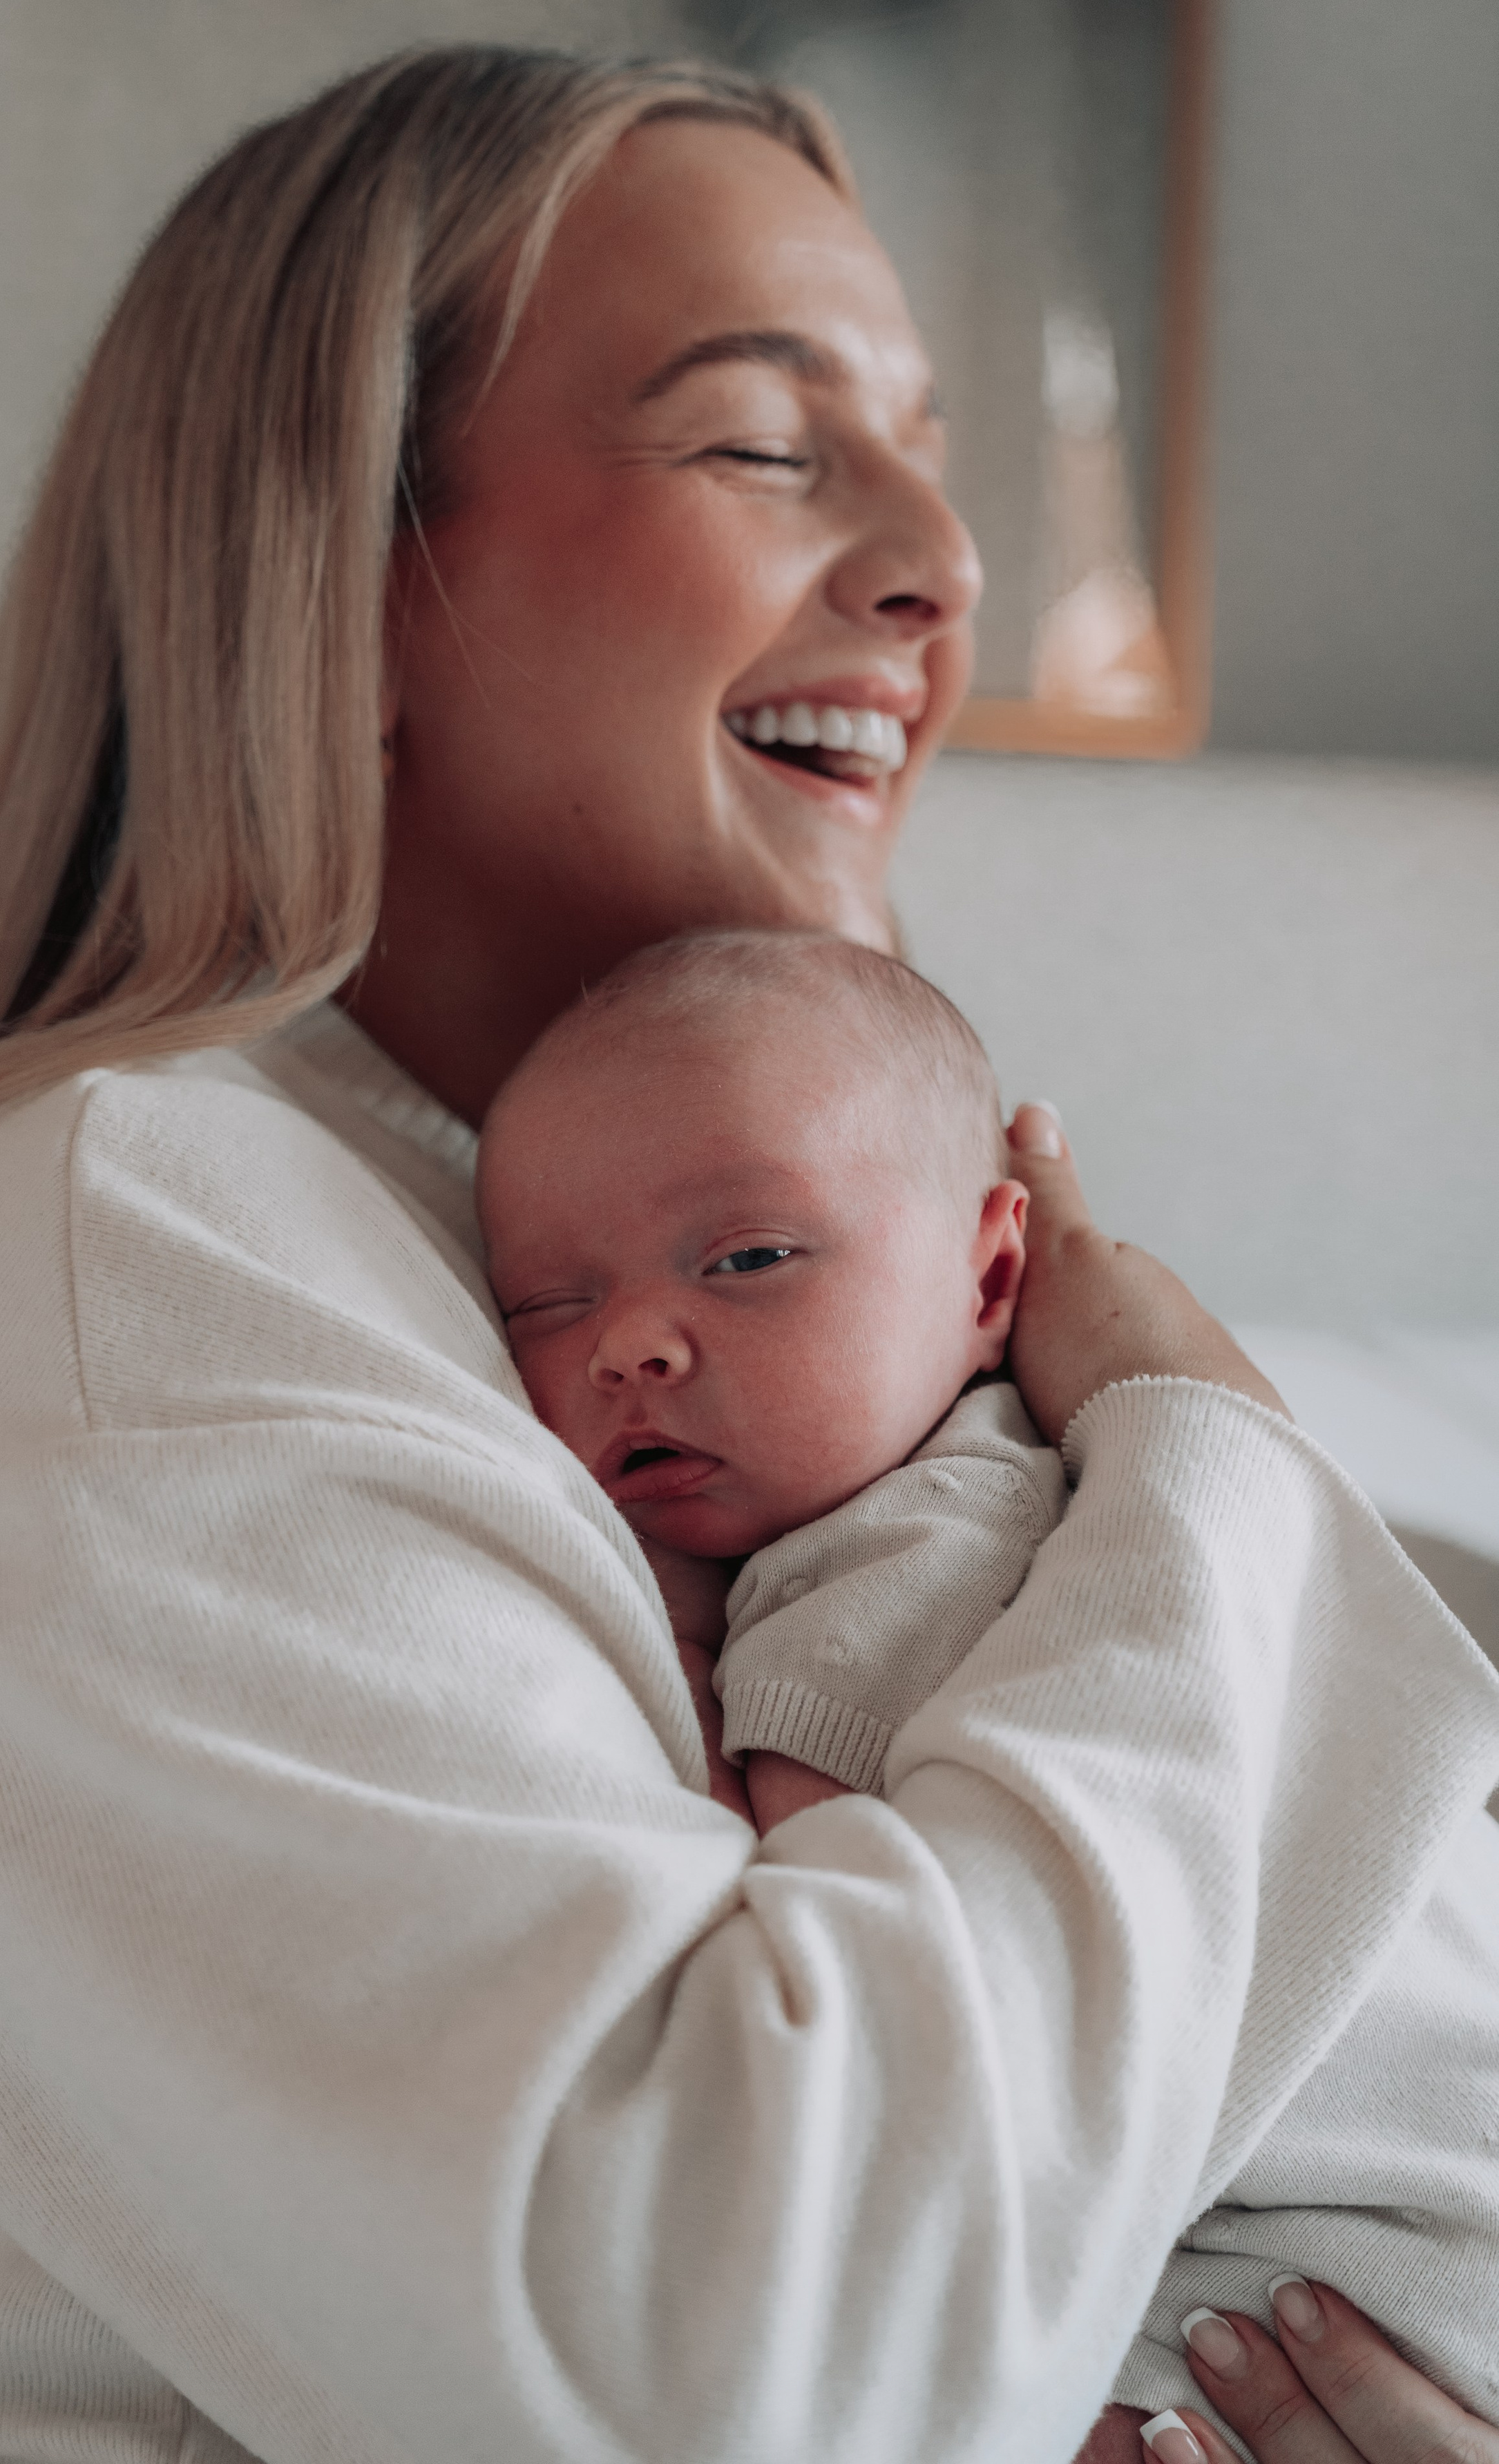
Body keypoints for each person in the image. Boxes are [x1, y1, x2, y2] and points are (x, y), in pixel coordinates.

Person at [0, 46, 1492, 2464]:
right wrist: (1207, 1471)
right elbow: (748, 2369)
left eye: (932, 453)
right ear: (345, 577)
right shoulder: (141, 1250)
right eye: (769, 446)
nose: (941, 570)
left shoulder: (495, 1256)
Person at [476, 923, 1499, 2446]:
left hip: (1374, 2254)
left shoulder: (901, 1552)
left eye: (748, 1258)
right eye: (543, 1306)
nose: (629, 1342)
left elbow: (842, 1983)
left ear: (991, 1274)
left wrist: (687, 1701)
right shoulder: (1021, 1496)